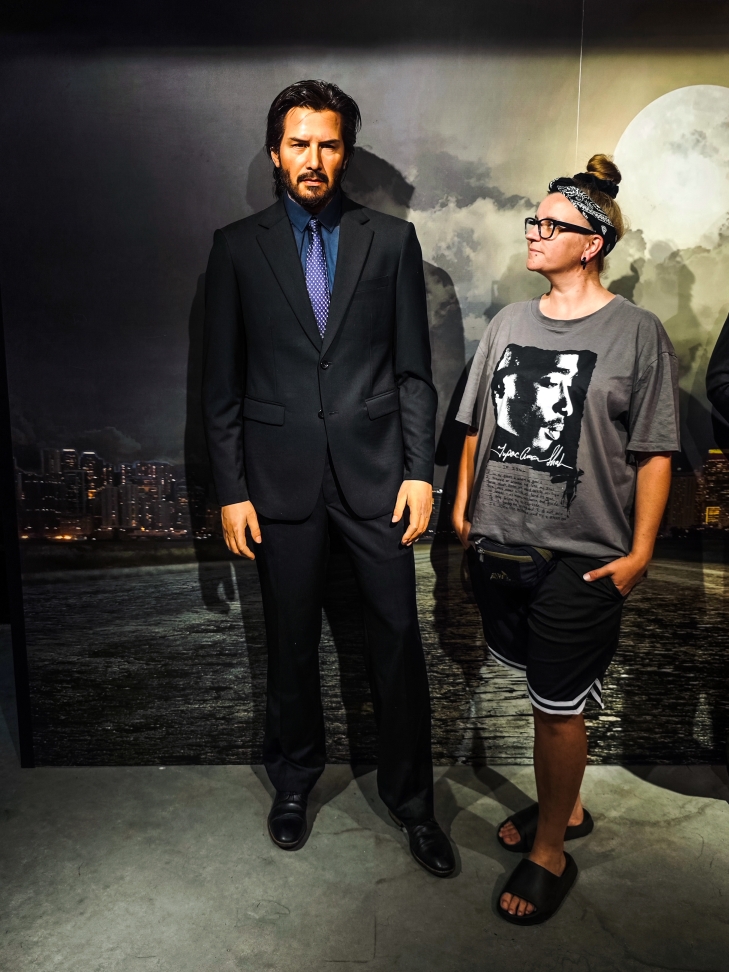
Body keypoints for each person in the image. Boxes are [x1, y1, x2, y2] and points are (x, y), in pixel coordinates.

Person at [202, 80, 454, 876]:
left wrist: (419, 474)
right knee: (289, 645)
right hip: (277, 483)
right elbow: (220, 387)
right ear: (275, 152)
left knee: (397, 642)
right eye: (299, 143)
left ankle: (413, 804)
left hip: (378, 478)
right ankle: (293, 781)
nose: (313, 159)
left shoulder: (392, 241)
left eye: (328, 143)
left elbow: (414, 373)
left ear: (345, 152)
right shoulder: (236, 248)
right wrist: (231, 490)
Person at [452, 155, 680, 923]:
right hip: (498, 547)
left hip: (582, 559)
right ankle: (568, 808)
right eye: (533, 219)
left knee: (555, 708)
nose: (533, 231)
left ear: (591, 243)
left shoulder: (637, 334)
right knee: (538, 690)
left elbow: (654, 451)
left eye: (550, 224)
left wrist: (640, 553)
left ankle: (549, 849)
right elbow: (473, 425)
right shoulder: (506, 325)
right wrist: (462, 510)